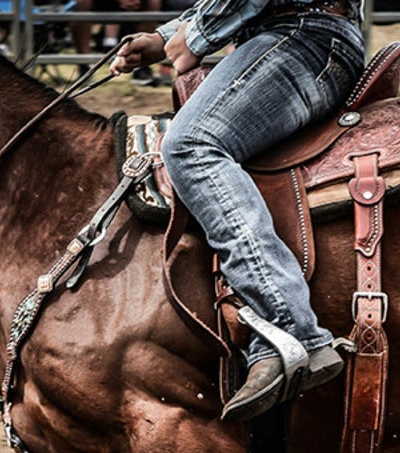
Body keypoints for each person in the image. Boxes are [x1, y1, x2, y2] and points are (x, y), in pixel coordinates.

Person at [112, 0, 364, 421]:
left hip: (302, 38)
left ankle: (288, 323)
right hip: (303, 35)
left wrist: (197, 36)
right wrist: (166, 34)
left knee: (190, 145)